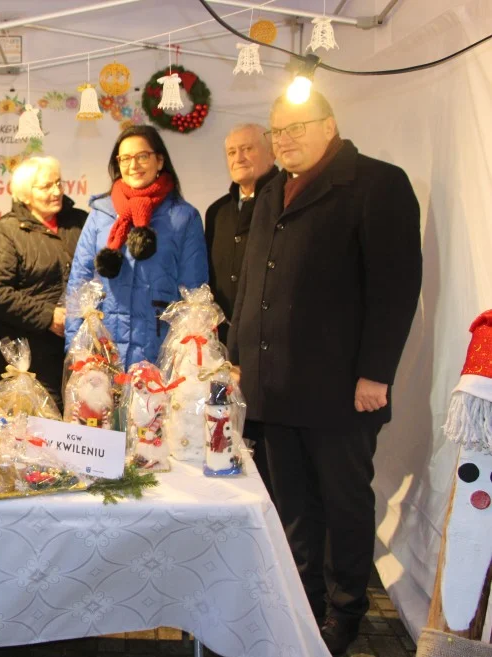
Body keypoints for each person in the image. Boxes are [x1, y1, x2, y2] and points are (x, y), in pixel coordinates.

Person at [228, 92, 421, 655]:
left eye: (297, 128)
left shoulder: (377, 185)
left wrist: (375, 375)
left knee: (343, 504)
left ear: (331, 126)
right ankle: (303, 600)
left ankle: (346, 612)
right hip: (274, 387)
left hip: (341, 391)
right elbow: (252, 290)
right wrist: (239, 355)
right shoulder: (269, 193)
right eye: (277, 131)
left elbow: (395, 289)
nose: (283, 139)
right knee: (293, 507)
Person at [65, 124, 208, 370]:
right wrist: (76, 350)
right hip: (104, 350)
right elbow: (79, 283)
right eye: (125, 158)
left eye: (142, 156)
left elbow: (193, 290)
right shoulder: (100, 214)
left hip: (161, 349)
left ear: (160, 160)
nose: (133, 165)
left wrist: (188, 356)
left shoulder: (184, 217)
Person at [0, 156, 87, 410]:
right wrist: (49, 316)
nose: (56, 191)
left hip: (77, 355)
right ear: (25, 195)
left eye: (58, 183)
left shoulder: (80, 222)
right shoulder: (7, 230)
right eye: (45, 186)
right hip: (25, 360)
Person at [204, 123, 278, 495]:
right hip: (223, 346)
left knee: (268, 446)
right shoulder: (217, 211)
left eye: (248, 149)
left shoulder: (284, 202)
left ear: (272, 153)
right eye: (232, 152)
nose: (239, 157)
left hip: (268, 344)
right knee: (226, 430)